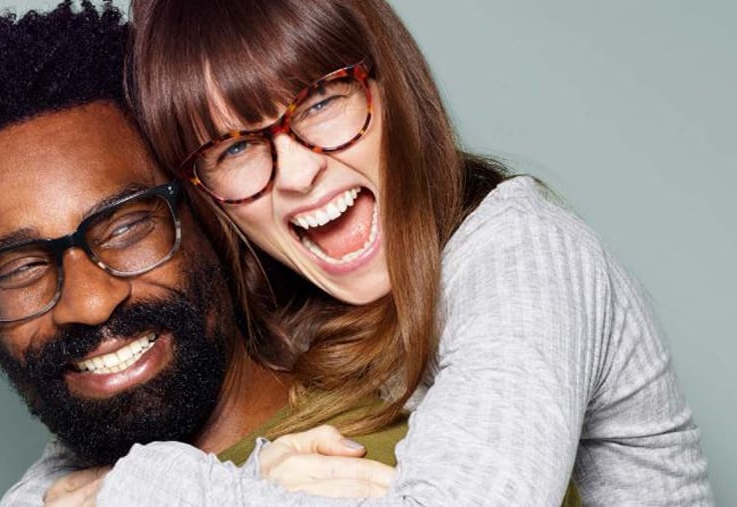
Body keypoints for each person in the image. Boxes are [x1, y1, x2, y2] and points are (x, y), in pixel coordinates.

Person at [36, 0, 711, 505]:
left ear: (392, 84)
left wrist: (148, 490)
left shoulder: (525, 251)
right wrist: (256, 477)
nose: (299, 173)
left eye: (320, 103)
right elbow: (49, 490)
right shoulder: (286, 299)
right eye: (236, 149)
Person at [0, 2, 412, 505]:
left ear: (207, 211)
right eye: (20, 269)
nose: (89, 303)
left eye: (126, 227)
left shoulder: (377, 474)